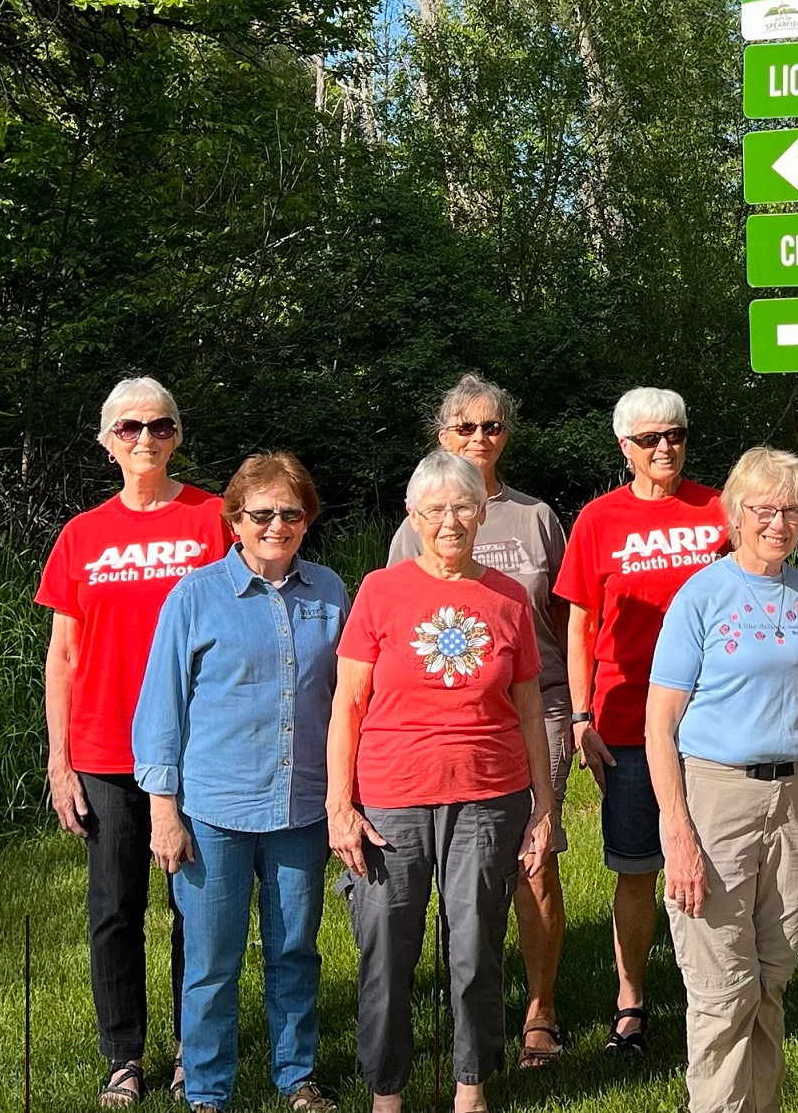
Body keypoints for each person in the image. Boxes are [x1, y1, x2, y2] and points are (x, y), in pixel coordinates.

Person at [329, 450, 555, 1113]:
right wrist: (339, 805)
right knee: (386, 947)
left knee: (476, 944)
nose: (450, 520)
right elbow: (346, 706)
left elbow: (531, 711)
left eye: (462, 506)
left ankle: (470, 1085)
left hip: (489, 793)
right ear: (413, 517)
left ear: (483, 512)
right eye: (435, 509)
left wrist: (546, 807)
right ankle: (387, 1090)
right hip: (390, 797)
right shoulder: (379, 590)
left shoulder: (508, 597)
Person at [37, 377, 231, 1106]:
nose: (145, 439)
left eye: (160, 426)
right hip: (106, 750)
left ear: (178, 434)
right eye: (128, 428)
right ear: (105, 440)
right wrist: (60, 759)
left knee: (196, 905)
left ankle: (193, 1045)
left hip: (200, 747)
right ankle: (123, 1053)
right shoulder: (81, 535)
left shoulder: (214, 517)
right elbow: (62, 655)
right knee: (116, 906)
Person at [131, 453, 344, 1113]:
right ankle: (207, 1088)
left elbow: (352, 700)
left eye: (290, 512)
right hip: (213, 812)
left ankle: (297, 1076)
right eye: (261, 513)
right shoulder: (194, 597)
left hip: (302, 807)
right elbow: (160, 710)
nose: (275, 524)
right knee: (212, 962)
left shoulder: (333, 591)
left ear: (306, 520)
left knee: (294, 953)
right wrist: (163, 812)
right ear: (235, 521)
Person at [646, 447, 798, 1113]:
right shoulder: (701, 595)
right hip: (717, 795)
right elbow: (659, 725)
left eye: (792, 508)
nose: (779, 520)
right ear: (736, 514)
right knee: (721, 984)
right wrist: (678, 836)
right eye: (764, 508)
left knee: (770, 976)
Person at [387, 375, 573, 1067]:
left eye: (491, 426)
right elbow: (394, 623)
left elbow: (564, 616)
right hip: (445, 717)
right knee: (456, 865)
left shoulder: (535, 517)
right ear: (444, 436)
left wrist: (575, 709)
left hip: (536, 702)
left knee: (533, 858)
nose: (479, 438)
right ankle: (469, 999)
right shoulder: (416, 521)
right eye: (465, 427)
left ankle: (541, 1010)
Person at [553, 386, 730, 1054]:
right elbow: (580, 623)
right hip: (626, 719)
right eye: (651, 439)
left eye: (676, 435)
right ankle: (631, 998)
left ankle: (712, 990)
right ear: (625, 447)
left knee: (716, 856)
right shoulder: (599, 520)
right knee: (638, 864)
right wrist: (580, 714)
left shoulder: (718, 509)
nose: (666, 448)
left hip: (717, 721)